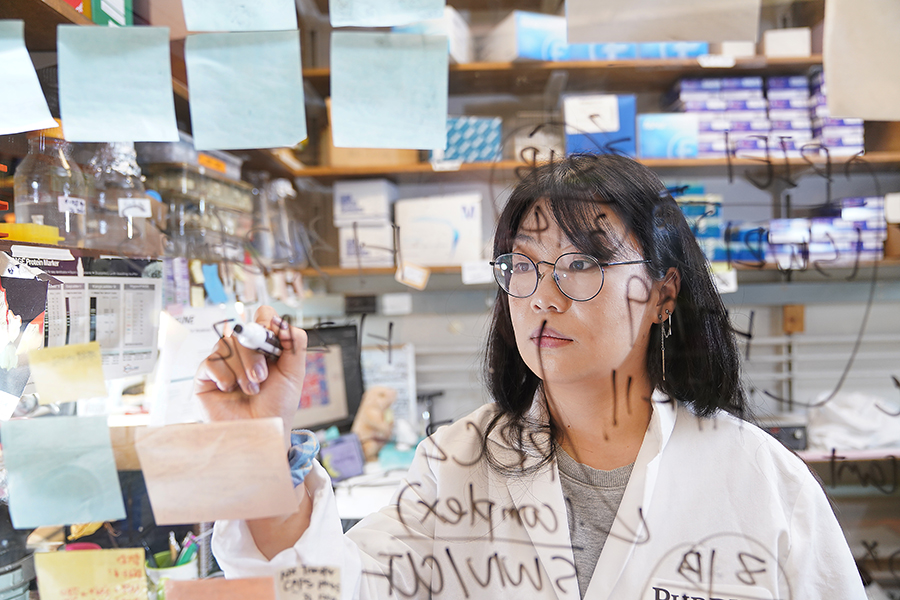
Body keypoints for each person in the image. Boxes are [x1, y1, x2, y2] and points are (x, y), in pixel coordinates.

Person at [194, 154, 866, 600]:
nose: (543, 295)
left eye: (583, 263)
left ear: (663, 293)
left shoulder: (761, 480)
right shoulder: (456, 465)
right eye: (522, 264)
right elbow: (317, 587)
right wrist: (255, 440)